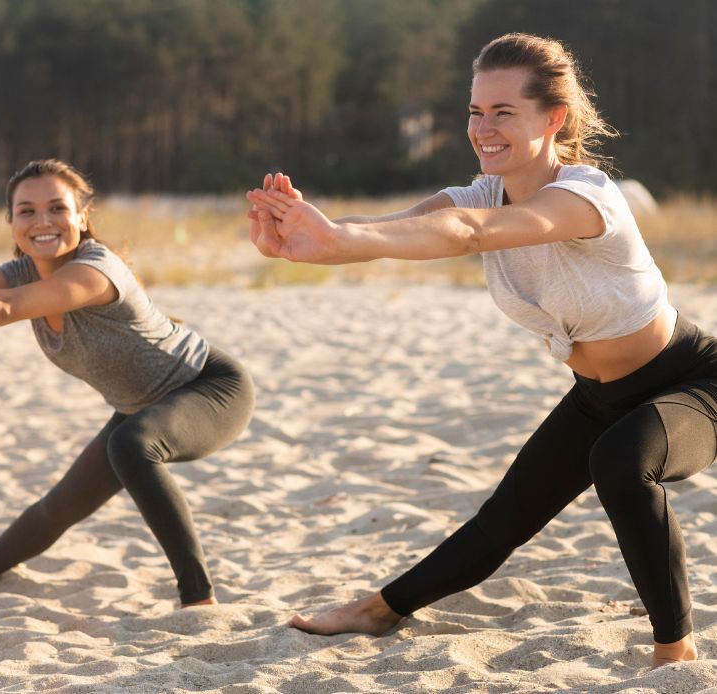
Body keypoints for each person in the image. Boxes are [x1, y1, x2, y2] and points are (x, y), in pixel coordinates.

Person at [246, 33, 716, 666]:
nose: (483, 128)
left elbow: (470, 235)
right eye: (475, 111)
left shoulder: (587, 197)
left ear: (554, 119)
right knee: (505, 518)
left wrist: (334, 236)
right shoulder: (478, 194)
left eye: (503, 112)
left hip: (690, 382)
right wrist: (310, 239)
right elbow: (387, 234)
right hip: (599, 394)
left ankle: (674, 650)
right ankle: (379, 610)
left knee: (621, 461)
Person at [0, 159, 254, 607]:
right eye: (26, 211)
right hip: (138, 408)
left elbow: (3, 309)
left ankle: (198, 598)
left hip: (210, 388)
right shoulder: (19, 274)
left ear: (82, 217)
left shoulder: (95, 270)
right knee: (62, 504)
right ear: (11, 223)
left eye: (57, 208)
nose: (42, 222)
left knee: (129, 445)